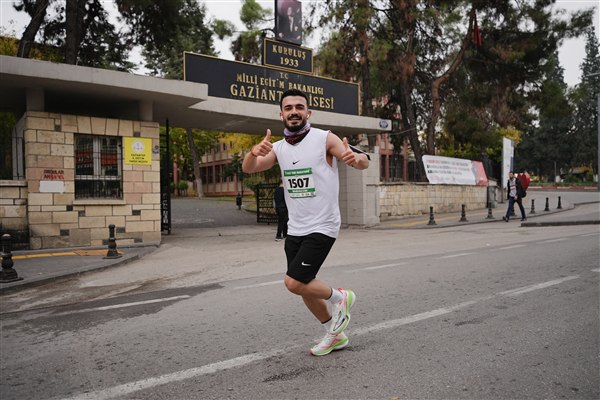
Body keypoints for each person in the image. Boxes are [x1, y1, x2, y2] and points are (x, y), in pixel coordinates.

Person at [242, 89, 370, 356]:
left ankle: (341, 297)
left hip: (323, 225)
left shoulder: (325, 138)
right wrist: (252, 152)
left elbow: (363, 161)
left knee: (293, 282)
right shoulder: (278, 148)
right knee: (304, 287)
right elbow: (249, 168)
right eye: (288, 108)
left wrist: (355, 159)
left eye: (299, 107)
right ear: (281, 114)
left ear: (308, 113)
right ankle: (335, 336)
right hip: (296, 228)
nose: (294, 112)